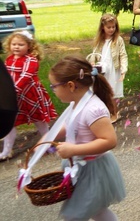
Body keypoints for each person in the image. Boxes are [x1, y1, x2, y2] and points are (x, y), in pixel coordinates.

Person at [49, 55, 125, 220]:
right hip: (81, 167)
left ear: (70, 85)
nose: (52, 89)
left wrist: (73, 149)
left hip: (93, 169)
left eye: (53, 86)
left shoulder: (93, 109)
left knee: (75, 214)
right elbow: (71, 125)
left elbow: (109, 140)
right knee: (97, 210)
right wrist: (52, 134)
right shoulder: (76, 103)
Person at [1, 31, 57, 161]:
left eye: (21, 44)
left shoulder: (31, 60)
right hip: (14, 97)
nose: (16, 47)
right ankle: (6, 151)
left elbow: (26, 75)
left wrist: (13, 89)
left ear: (29, 46)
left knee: (39, 121)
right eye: (14, 44)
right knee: (11, 121)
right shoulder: (9, 59)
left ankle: (48, 144)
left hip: (30, 95)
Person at [89, 13, 128, 123]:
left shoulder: (118, 40)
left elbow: (123, 55)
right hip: (102, 69)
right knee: (102, 92)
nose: (111, 29)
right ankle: (106, 112)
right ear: (103, 27)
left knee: (111, 93)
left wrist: (123, 69)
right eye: (109, 27)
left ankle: (114, 113)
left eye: (113, 27)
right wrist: (92, 61)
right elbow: (95, 53)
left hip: (113, 69)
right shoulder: (100, 40)